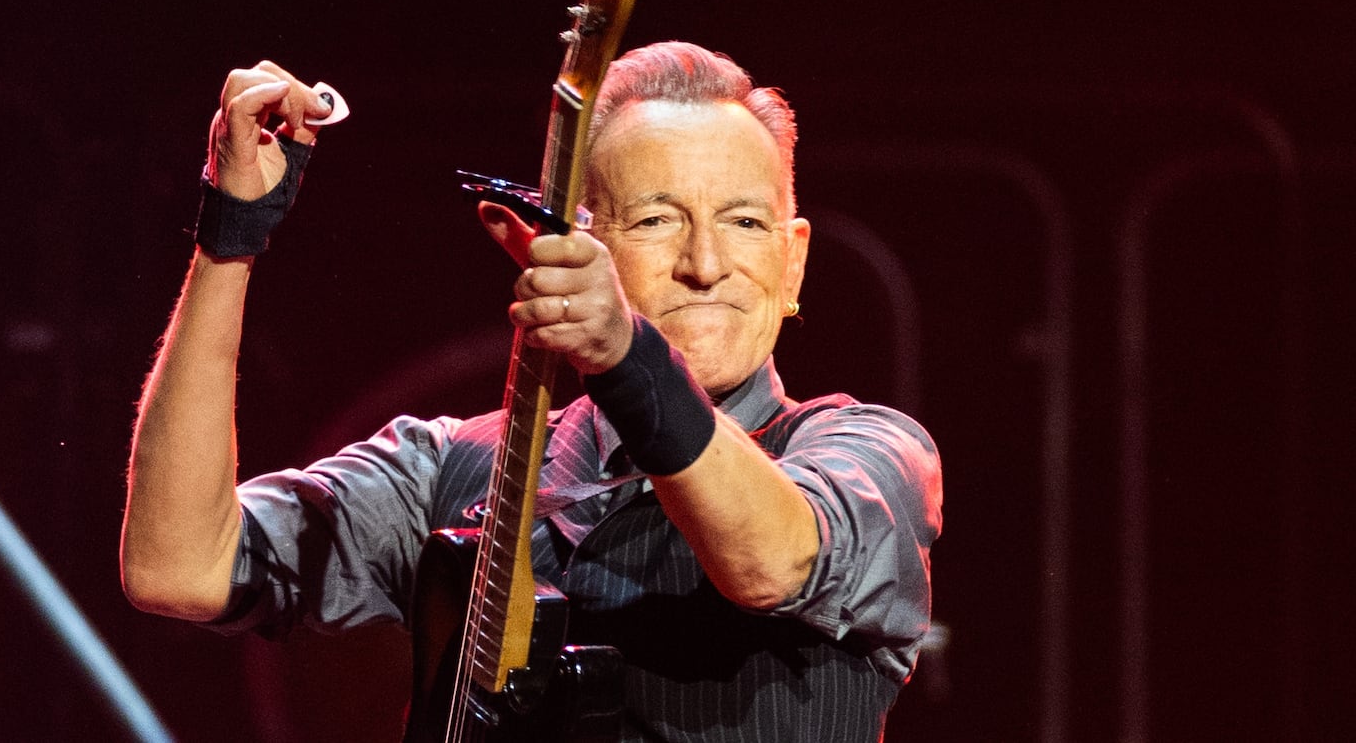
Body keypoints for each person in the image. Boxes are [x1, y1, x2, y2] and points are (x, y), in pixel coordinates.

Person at [121, 41, 943, 741]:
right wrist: (230, 238)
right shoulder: (455, 467)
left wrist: (627, 353)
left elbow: (771, 561)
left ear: (794, 261)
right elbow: (178, 565)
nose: (705, 263)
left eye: (745, 222)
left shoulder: (868, 456)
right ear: (575, 245)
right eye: (657, 219)